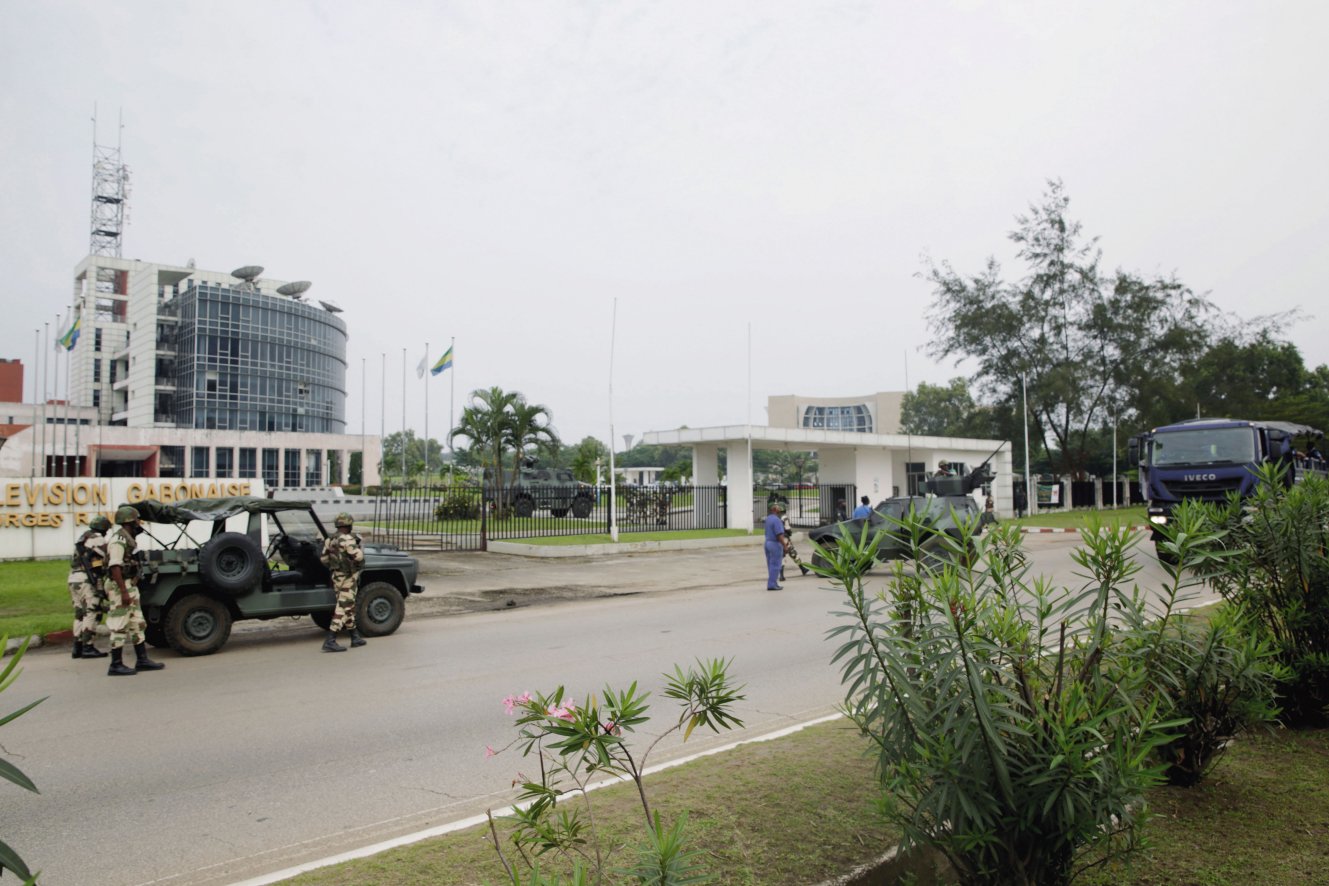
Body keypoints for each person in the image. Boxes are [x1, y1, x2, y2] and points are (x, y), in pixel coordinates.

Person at [103, 505, 165, 676]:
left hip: (129, 585)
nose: (139, 523)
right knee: (119, 624)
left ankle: (142, 660)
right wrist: (123, 591)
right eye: (137, 520)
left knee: (137, 623)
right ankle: (115, 664)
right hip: (120, 587)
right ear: (130, 521)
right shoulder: (119, 541)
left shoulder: (129, 538)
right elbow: (115, 567)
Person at [320, 512, 366, 652]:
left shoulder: (330, 539)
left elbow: (324, 559)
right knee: (344, 606)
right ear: (349, 524)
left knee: (347, 606)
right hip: (348, 577)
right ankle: (330, 640)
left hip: (337, 576)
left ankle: (354, 637)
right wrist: (359, 544)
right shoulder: (348, 539)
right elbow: (358, 557)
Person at [69, 515, 112, 660]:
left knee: (79, 614)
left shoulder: (82, 538)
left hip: (73, 578)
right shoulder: (97, 539)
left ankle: (77, 647)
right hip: (86, 580)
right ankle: (88, 647)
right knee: (91, 612)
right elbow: (102, 558)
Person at [779, 509, 811, 580]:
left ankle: (802, 569)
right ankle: (782, 575)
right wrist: (790, 533)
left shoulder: (776, 517)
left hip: (778, 538)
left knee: (784, 555)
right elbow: (787, 529)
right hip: (785, 539)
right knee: (792, 553)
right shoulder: (784, 517)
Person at [763, 502, 789, 591]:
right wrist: (785, 546)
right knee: (776, 565)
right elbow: (779, 535)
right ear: (774, 509)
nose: (779, 509)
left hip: (767, 543)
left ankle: (773, 582)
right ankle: (772, 584)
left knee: (770, 564)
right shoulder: (777, 520)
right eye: (778, 507)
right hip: (775, 544)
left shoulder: (768, 519)